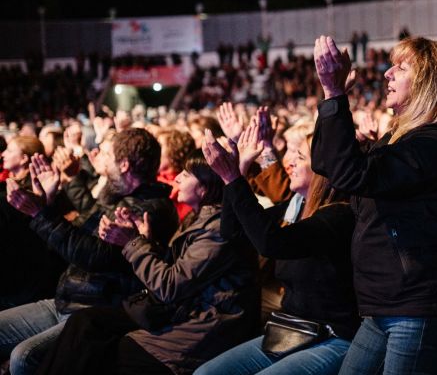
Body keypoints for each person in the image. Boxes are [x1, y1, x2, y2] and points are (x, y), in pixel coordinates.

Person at [311, 35, 437, 374]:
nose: (387, 74)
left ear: (428, 84)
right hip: (386, 305)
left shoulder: (435, 144)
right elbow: (327, 165)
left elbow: (351, 175)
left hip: (417, 308)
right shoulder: (404, 138)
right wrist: (329, 98)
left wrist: (337, 96)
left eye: (401, 67)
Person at [34, 150, 259, 375]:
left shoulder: (216, 229)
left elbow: (170, 286)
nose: (178, 177)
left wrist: (133, 243)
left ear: (205, 188)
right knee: (85, 323)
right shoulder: (199, 217)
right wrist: (143, 240)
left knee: (97, 355)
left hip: (202, 326)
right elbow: (180, 272)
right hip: (179, 311)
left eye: (187, 174)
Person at [0, 128, 179, 375]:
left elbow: (93, 254)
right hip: (68, 299)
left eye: (106, 154)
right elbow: (79, 230)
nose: (97, 158)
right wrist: (49, 200)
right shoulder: (118, 195)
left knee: (24, 357)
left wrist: (39, 213)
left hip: (93, 309)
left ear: (124, 165)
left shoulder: (150, 208)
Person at [196, 110, 359, 375]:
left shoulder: (338, 215)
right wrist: (239, 170)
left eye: (299, 156)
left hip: (332, 336)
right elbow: (231, 232)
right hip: (290, 331)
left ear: (323, 169)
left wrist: (233, 179)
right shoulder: (294, 208)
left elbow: (272, 243)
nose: (288, 163)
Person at [0, 137, 67, 310]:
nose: (3, 154)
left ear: (23, 158)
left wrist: (48, 200)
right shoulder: (9, 183)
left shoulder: (31, 190)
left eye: (9, 150)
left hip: (24, 282)